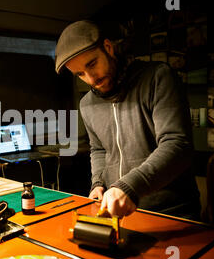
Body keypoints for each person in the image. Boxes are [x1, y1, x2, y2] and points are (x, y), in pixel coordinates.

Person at [55, 20, 201, 220]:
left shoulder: (158, 78)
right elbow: (99, 149)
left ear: (108, 48)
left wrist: (130, 186)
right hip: (121, 211)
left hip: (171, 211)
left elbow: (177, 144)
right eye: (80, 74)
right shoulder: (87, 104)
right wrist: (98, 182)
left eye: (92, 64)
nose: (91, 79)